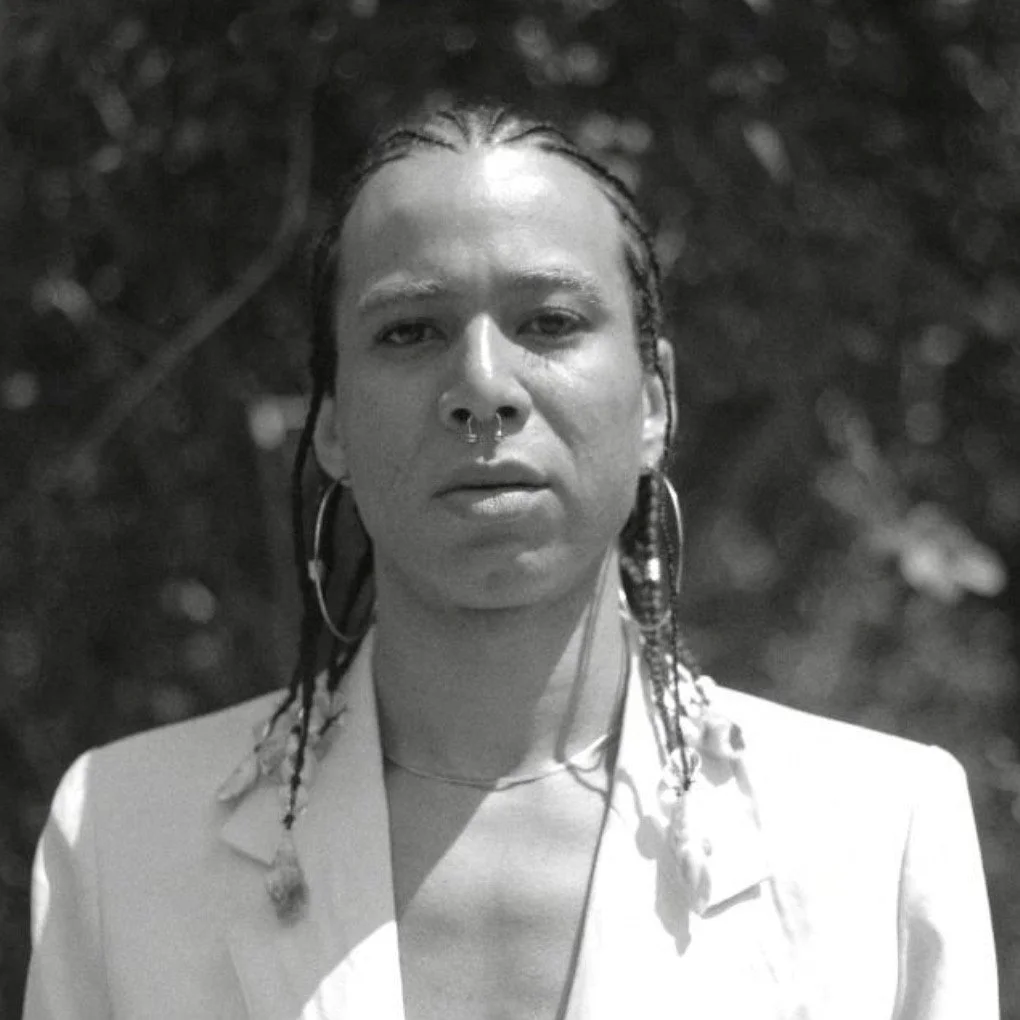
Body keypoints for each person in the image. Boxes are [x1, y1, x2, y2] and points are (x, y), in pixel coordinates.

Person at [23, 103, 998, 1020]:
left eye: (550, 323)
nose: (482, 387)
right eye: (410, 331)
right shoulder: (124, 837)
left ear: (655, 398)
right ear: (330, 425)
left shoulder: (879, 832)